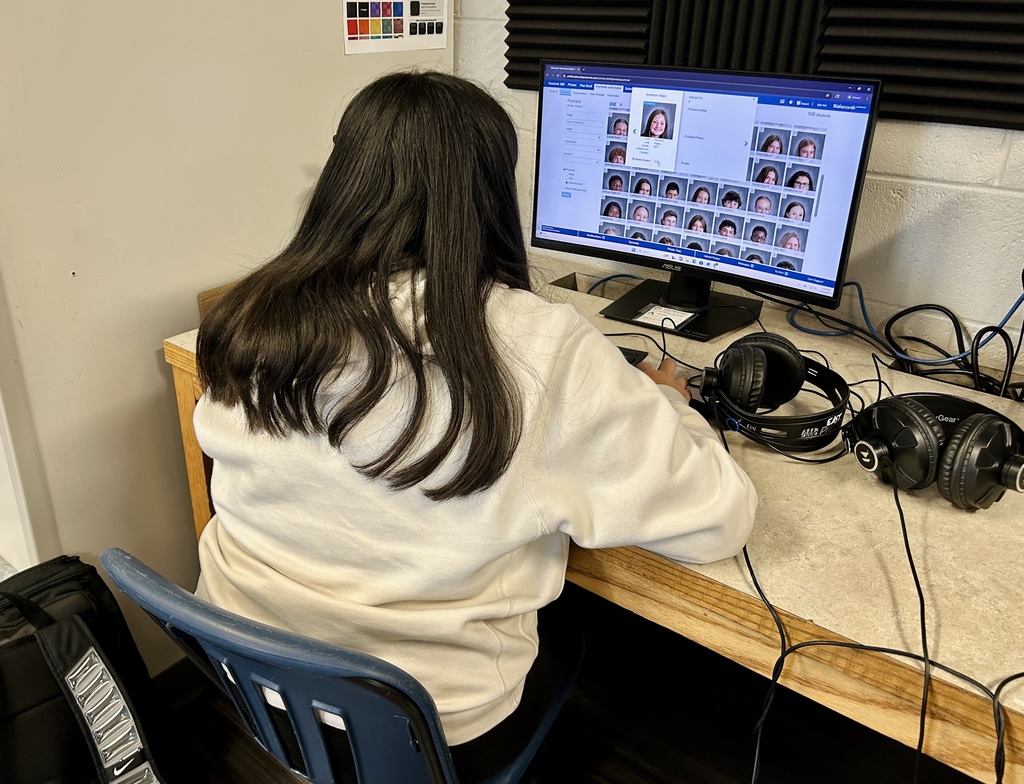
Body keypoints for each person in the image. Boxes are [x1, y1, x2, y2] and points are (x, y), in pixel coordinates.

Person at [195, 74, 756, 779]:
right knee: (584, 641)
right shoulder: (538, 344)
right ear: (489, 192)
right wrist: (670, 402)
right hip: (425, 734)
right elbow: (716, 523)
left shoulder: (251, 315)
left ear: (345, 176)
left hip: (252, 683)